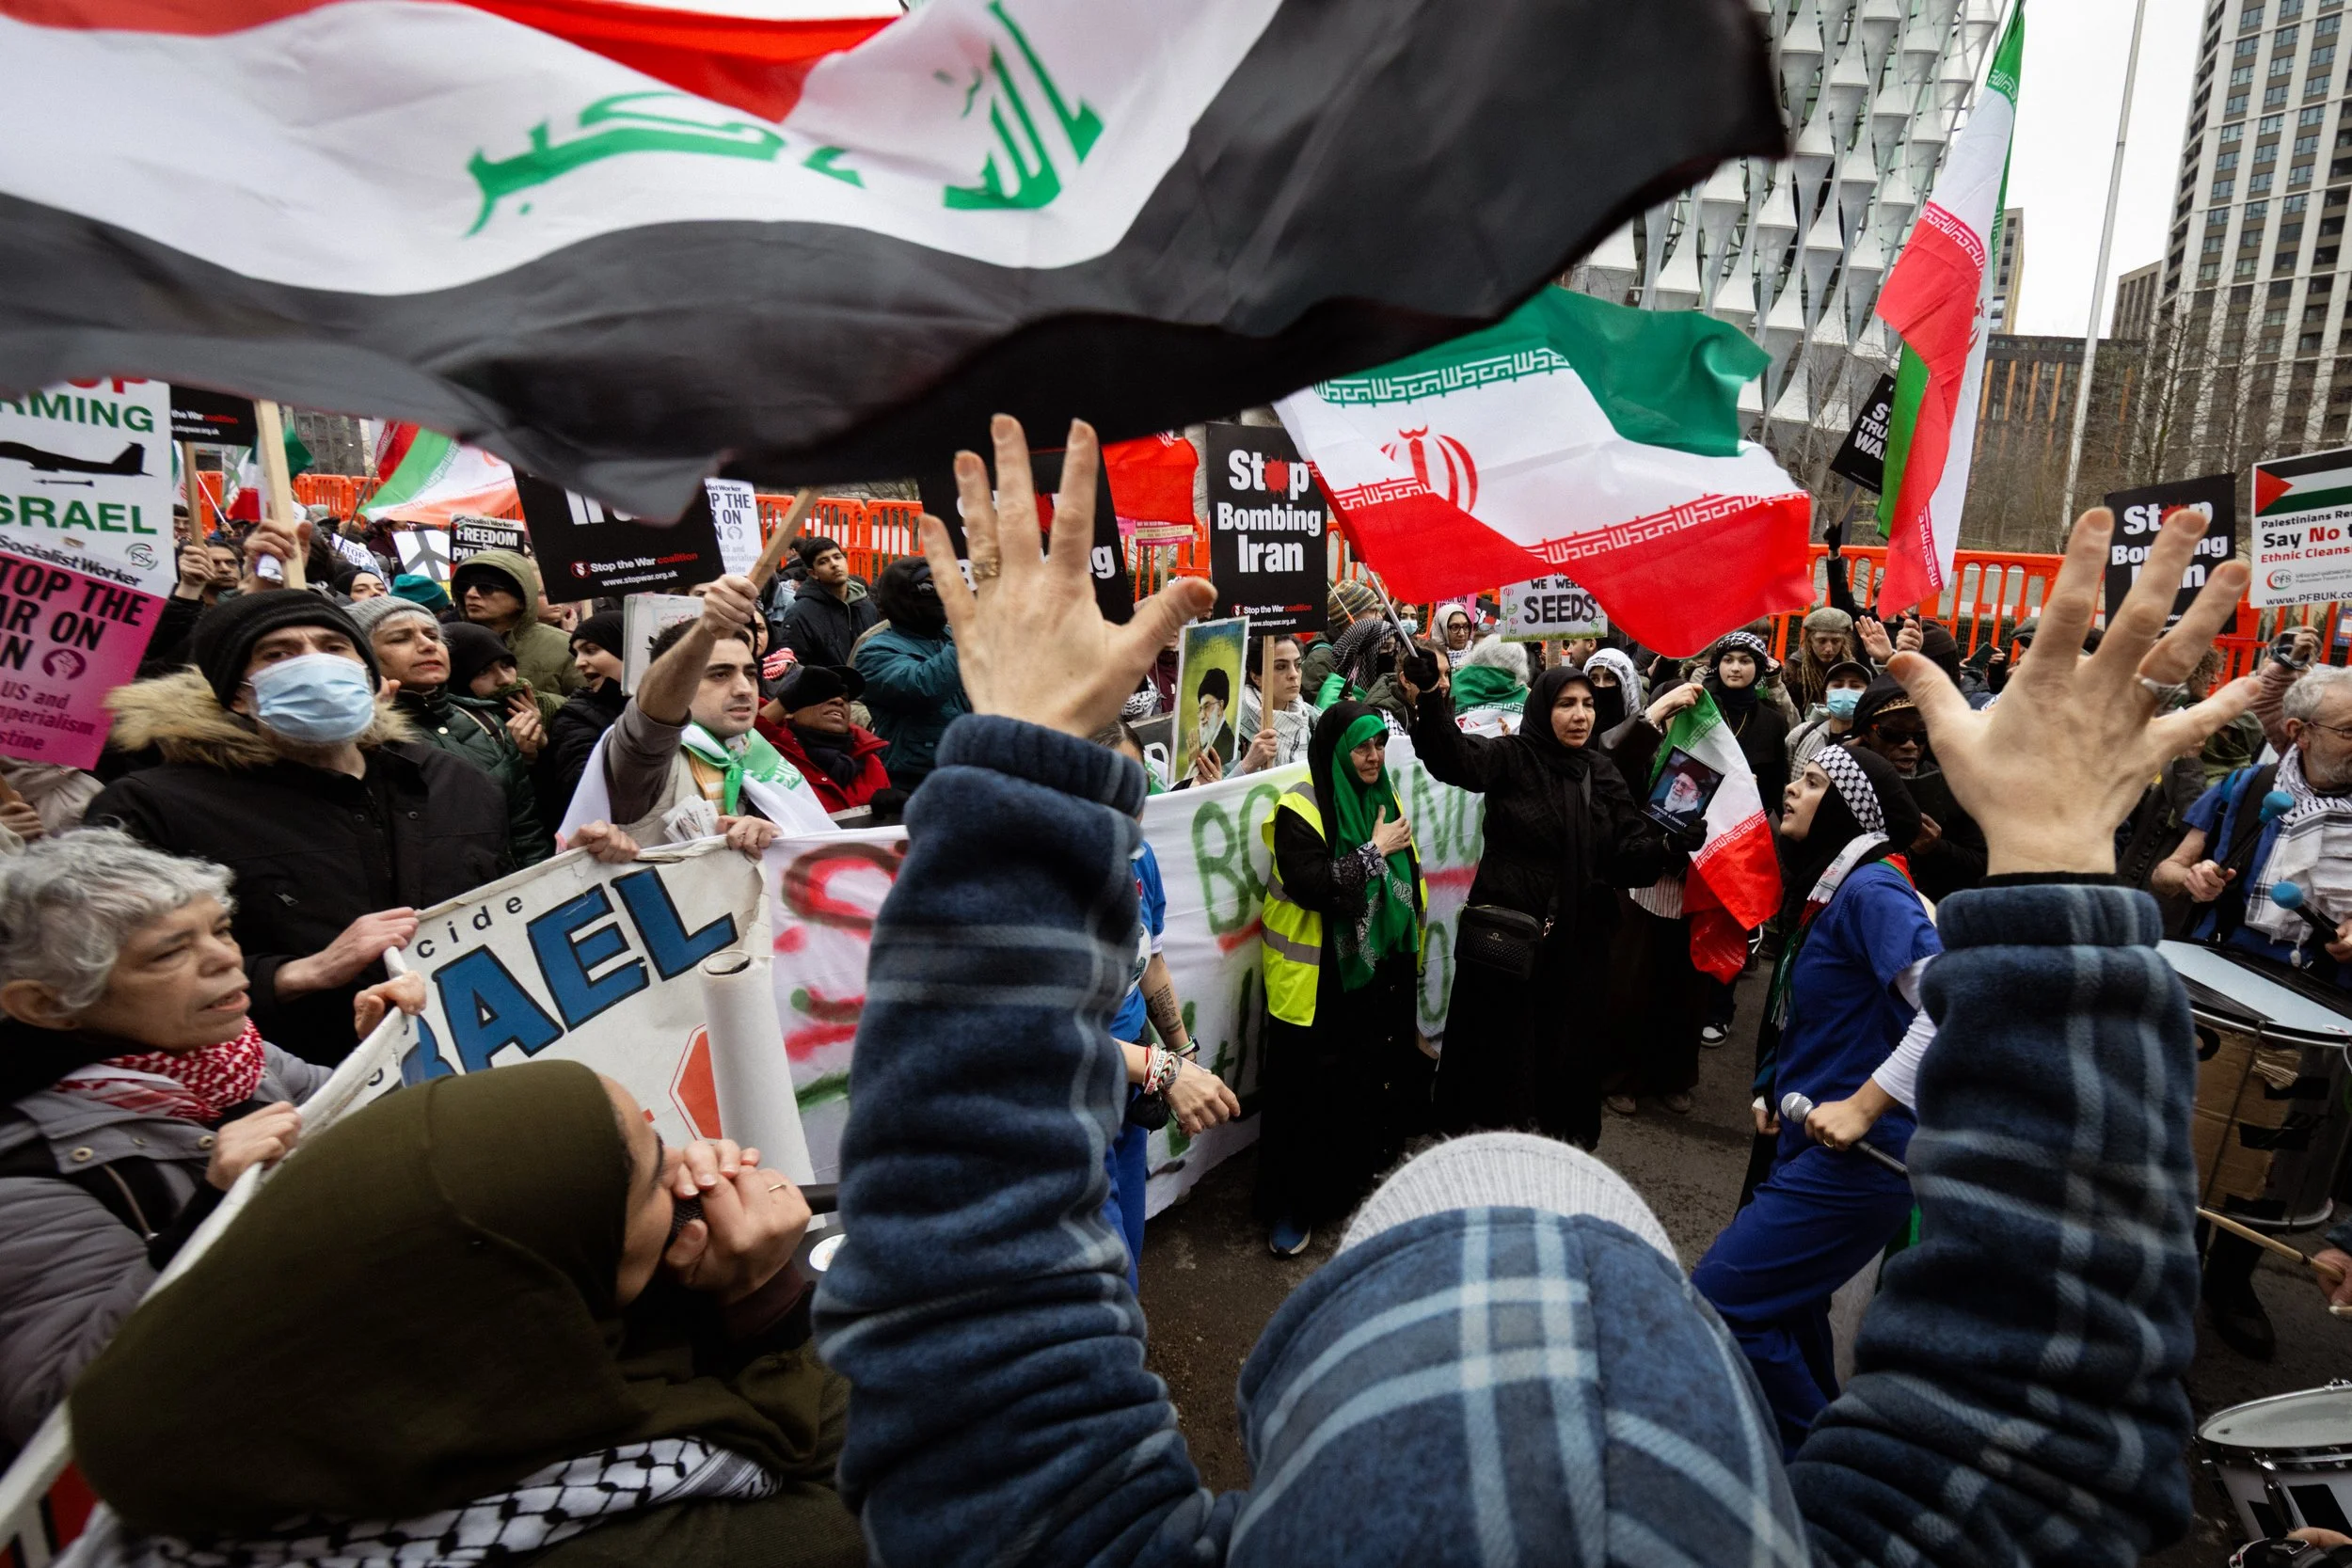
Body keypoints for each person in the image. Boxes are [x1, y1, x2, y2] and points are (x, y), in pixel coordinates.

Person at [811, 460, 2242, 1568]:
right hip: (1508, 980)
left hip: (1563, 994)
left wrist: (1023, 780)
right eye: (1563, 710)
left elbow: (969, 1311)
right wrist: (2057, 859)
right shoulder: (1503, 759)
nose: (1570, 719)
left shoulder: (1609, 771)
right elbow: (2044, 1402)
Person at [67, 1058, 863, 1568]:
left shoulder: (287, 1406)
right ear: (533, 1283)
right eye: (657, 1177)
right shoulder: (586, 1544)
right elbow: (871, 1504)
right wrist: (764, 1301)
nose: (695, 1171)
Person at [0, 832, 423, 1453]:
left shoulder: (229, 1052)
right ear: (48, 1003)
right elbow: (61, 1405)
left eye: (221, 929)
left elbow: (384, 1144)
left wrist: (381, 1056)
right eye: (168, 952)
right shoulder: (26, 1176)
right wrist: (210, 1209)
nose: (226, 958)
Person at [89, 592, 509, 1064]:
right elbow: (112, 976)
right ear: (237, 695)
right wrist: (300, 974)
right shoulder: (152, 807)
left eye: (334, 648)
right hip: (289, 1091)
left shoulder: (455, 782)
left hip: (471, 1055)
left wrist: (580, 869)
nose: (314, 665)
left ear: (369, 675)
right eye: (278, 654)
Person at [1691, 743, 1935, 1453]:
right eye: (1797, 774)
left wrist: (1864, 1103)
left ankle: (1815, 1469)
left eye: (1813, 780)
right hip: (1814, 1144)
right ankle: (1832, 1459)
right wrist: (1776, 1084)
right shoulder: (1837, 884)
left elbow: (1952, 1005)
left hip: (1860, 1158)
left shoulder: (1873, 891)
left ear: (1852, 808)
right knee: (1789, 1313)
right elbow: (1826, 1009)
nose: (1792, 789)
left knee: (1724, 1302)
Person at [2153, 658, 2352, 1358]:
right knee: (2192, 1144)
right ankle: (2170, 1279)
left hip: (2322, 1001)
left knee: (2267, 1153)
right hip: (2222, 983)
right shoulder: (2252, 787)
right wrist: (2194, 876)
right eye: (2351, 730)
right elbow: (2167, 868)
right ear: (2298, 730)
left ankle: (2231, 1280)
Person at [1405, 657, 1678, 1148]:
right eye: (1566, 704)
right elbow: (1454, 757)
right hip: (1510, 942)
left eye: (1589, 705)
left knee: (1564, 1048)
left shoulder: (1601, 772)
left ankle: (1549, 1145)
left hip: (1578, 945)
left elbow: (1624, 852)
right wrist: (1431, 697)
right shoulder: (1514, 757)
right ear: (1540, 709)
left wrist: (1665, 847)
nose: (1580, 716)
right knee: (1501, 1050)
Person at [1254, 699, 1430, 1257]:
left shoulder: (1384, 793)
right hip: (1317, 982)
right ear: (1336, 751)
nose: (1374, 755)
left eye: (1379, 743)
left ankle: (1354, 1189)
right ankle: (1294, 1206)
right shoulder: (1299, 808)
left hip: (1373, 975)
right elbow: (1318, 886)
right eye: (1361, 746)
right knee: (1307, 1097)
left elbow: (1411, 877)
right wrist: (1375, 852)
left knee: (1362, 1087)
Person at [1089, 721, 1239, 1283]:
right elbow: (1039, 1035)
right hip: (1070, 1111)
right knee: (1101, 1275)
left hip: (1129, 1096)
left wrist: (1182, 1051)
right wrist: (1162, 1068)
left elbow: (1148, 960)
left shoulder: (1139, 859)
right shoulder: (1035, 888)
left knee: (1129, 1248)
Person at [565, 575, 834, 849]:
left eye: (750, 674)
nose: (743, 688)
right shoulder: (644, 758)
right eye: (719, 675)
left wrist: (775, 836)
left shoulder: (754, 750)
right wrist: (707, 628)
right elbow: (652, 716)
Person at [351, 598, 557, 868]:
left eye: (433, 635)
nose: (427, 645)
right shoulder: (359, 738)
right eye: (401, 638)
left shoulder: (486, 722)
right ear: (361, 657)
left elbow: (524, 827)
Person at [1850, 674, 1987, 901]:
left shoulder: (1954, 785)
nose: (1910, 745)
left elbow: (1982, 865)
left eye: (1920, 736)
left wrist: (1935, 848)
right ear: (1865, 733)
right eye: (1894, 734)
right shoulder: (1837, 778)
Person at [855, 559, 970, 792]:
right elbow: (923, 687)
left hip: (970, 770)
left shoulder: (950, 639)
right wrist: (965, 634)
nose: (939, 594)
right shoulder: (875, 650)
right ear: (900, 597)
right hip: (915, 783)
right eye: (928, 587)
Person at [755, 664, 896, 817]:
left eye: (845, 698)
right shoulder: (769, 752)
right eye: (822, 695)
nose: (838, 701)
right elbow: (738, 740)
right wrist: (781, 705)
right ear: (789, 710)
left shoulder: (869, 759)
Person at [449, 547, 584, 697]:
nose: (471, 594)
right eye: (464, 587)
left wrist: (544, 707)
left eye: (486, 588)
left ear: (521, 599)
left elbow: (592, 708)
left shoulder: (564, 646)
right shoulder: (449, 643)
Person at [540, 610, 629, 829]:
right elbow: (584, 788)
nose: (579, 663)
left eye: (591, 650)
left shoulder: (684, 704)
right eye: (577, 654)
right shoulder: (576, 716)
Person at [1705, 628, 1790, 812]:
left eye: (1745, 661)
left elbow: (1775, 785)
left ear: (1758, 668)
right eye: (1728, 660)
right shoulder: (1700, 711)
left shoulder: (1774, 721)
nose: (1735, 668)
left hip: (1751, 818)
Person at [774, 534, 878, 670]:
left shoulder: (867, 607)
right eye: (823, 561)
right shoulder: (799, 614)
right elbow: (795, 669)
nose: (834, 564)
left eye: (837, 557)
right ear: (813, 573)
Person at [1236, 633, 1314, 770]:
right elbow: (1215, 789)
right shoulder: (1234, 726)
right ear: (1256, 677)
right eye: (1280, 667)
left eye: (1298, 665)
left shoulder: (1310, 717)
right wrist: (1248, 764)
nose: (1294, 674)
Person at [1786, 657, 1873, 769]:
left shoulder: (1875, 741)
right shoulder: (1801, 734)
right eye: (1837, 686)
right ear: (1826, 697)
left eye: (1855, 686)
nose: (1845, 691)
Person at [1781, 603, 1857, 714]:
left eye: (1836, 641)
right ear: (1810, 640)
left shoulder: (1852, 669)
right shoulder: (1792, 671)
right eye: (1822, 641)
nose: (1829, 648)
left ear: (1843, 642)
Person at [1431, 603, 1475, 667]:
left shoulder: (1479, 658)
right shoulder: (1429, 661)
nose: (1462, 634)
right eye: (1455, 627)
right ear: (1442, 629)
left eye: (1466, 626)